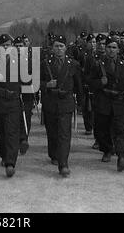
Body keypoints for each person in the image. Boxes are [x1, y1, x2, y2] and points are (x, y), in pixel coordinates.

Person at [88, 36, 124, 172]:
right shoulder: (98, 64)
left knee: (120, 130)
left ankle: (122, 156)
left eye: (114, 47)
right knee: (102, 130)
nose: (111, 50)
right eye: (109, 47)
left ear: (118, 50)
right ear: (105, 49)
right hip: (103, 100)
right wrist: (100, 83)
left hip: (119, 102)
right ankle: (107, 150)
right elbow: (90, 83)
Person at [41, 35, 84, 177]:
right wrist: (46, 85)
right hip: (50, 103)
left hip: (66, 102)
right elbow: (36, 83)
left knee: (64, 134)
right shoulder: (45, 63)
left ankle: (63, 163)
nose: (59, 49)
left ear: (66, 48)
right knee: (52, 132)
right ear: (52, 48)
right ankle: (54, 154)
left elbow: (79, 85)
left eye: (61, 46)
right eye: (56, 46)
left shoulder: (74, 64)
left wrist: (81, 103)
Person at [0, 34, 22, 177]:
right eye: (3, 45)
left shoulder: (21, 61)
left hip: (13, 102)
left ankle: (10, 162)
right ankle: (4, 155)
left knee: (12, 132)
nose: (6, 48)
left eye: (8, 45)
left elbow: (27, 80)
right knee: (1, 132)